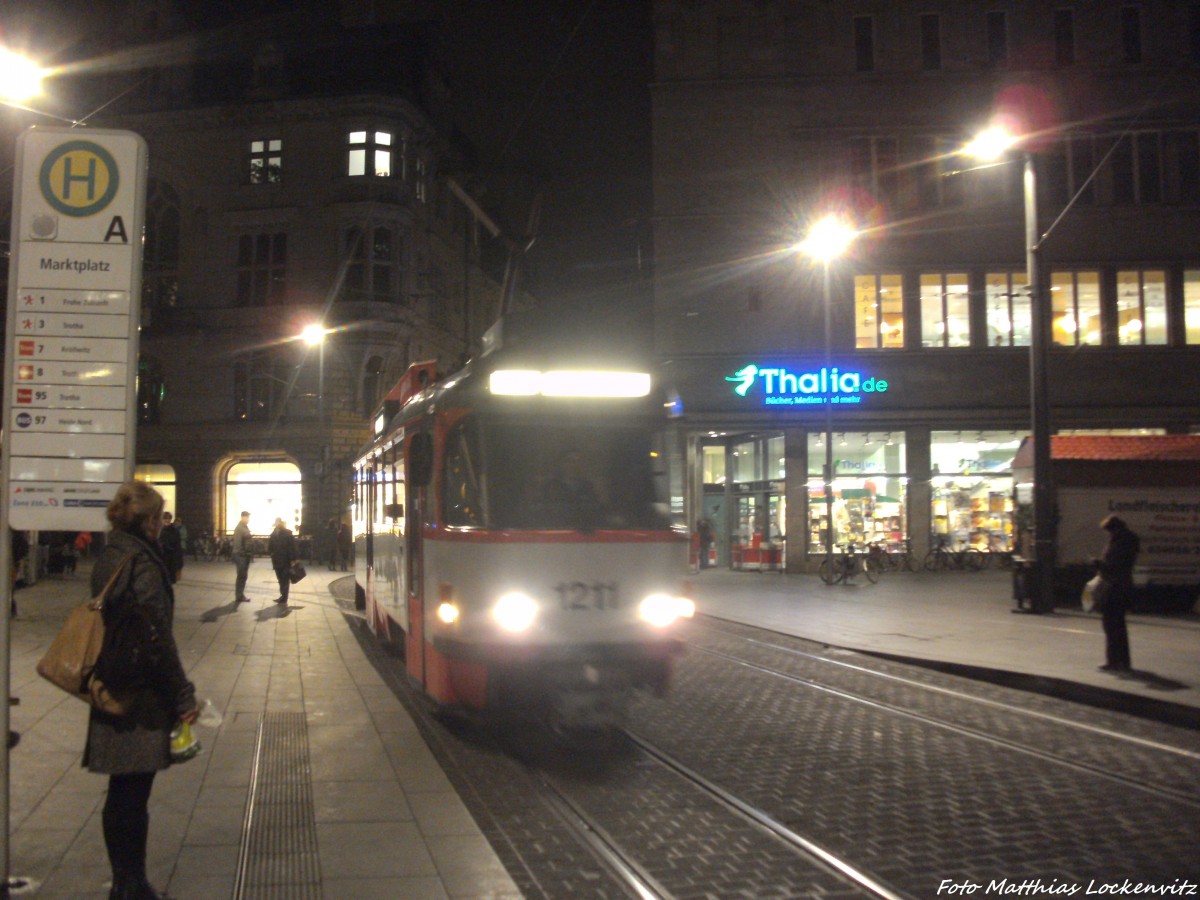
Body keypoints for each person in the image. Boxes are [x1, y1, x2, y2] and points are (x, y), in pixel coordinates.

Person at [85, 479, 197, 900]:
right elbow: (157, 638)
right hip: (139, 693)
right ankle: (132, 887)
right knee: (133, 795)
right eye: (158, 518)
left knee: (121, 792)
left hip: (112, 679)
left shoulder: (111, 554)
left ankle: (125, 883)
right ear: (150, 521)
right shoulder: (143, 562)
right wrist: (182, 694)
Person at [1094, 514, 1140, 673]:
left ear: (1114, 529)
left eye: (1109, 531)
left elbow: (1114, 565)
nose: (1108, 534)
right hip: (1122, 586)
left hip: (1115, 587)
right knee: (1118, 625)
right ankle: (1122, 661)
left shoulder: (1120, 542)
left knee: (1111, 625)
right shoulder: (1130, 539)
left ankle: (1114, 661)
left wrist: (1098, 563)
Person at [267, 517, 297, 604]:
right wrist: (271, 553)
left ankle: (284, 597)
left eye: (278, 522)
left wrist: (293, 559)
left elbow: (292, 548)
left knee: (284, 579)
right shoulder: (274, 534)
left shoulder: (287, 533)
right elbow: (270, 546)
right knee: (280, 579)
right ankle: (283, 595)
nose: (277, 524)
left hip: (285, 560)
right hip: (277, 560)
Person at [231, 511, 253, 603]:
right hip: (241, 556)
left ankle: (240, 595)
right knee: (241, 576)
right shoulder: (239, 528)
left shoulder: (244, 527)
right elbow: (238, 544)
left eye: (248, 517)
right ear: (243, 517)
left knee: (243, 576)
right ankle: (239, 595)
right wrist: (243, 553)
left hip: (244, 556)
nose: (248, 519)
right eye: (247, 517)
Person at [159, 513, 184, 584]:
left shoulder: (174, 531)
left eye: (168, 519)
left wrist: (179, 564)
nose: (166, 521)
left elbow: (177, 547)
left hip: (171, 558)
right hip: (161, 557)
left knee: (169, 580)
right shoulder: (159, 529)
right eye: (165, 519)